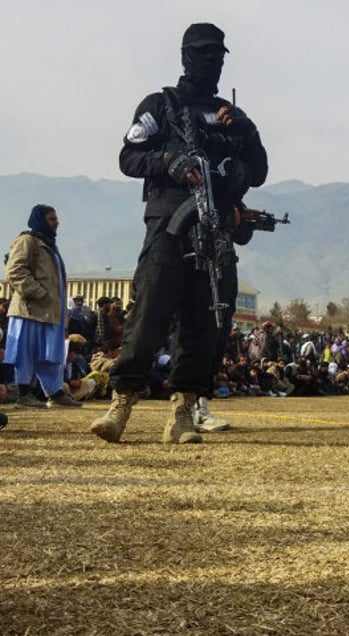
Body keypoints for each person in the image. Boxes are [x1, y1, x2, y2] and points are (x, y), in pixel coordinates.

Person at [90, 23, 268, 444]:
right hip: (169, 225)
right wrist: (168, 161)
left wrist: (246, 131)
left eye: (219, 55)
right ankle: (121, 404)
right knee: (149, 312)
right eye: (204, 54)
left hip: (216, 230)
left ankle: (184, 411)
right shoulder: (160, 105)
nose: (212, 62)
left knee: (207, 322)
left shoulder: (230, 117)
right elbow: (128, 155)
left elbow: (258, 172)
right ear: (186, 56)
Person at [4, 205, 82, 409]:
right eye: (51, 219)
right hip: (29, 311)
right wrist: (38, 293)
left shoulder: (49, 245)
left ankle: (55, 394)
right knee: (25, 353)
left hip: (49, 312)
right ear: (39, 220)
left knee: (50, 355)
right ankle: (24, 393)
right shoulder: (27, 241)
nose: (56, 222)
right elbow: (14, 271)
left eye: (56, 218)